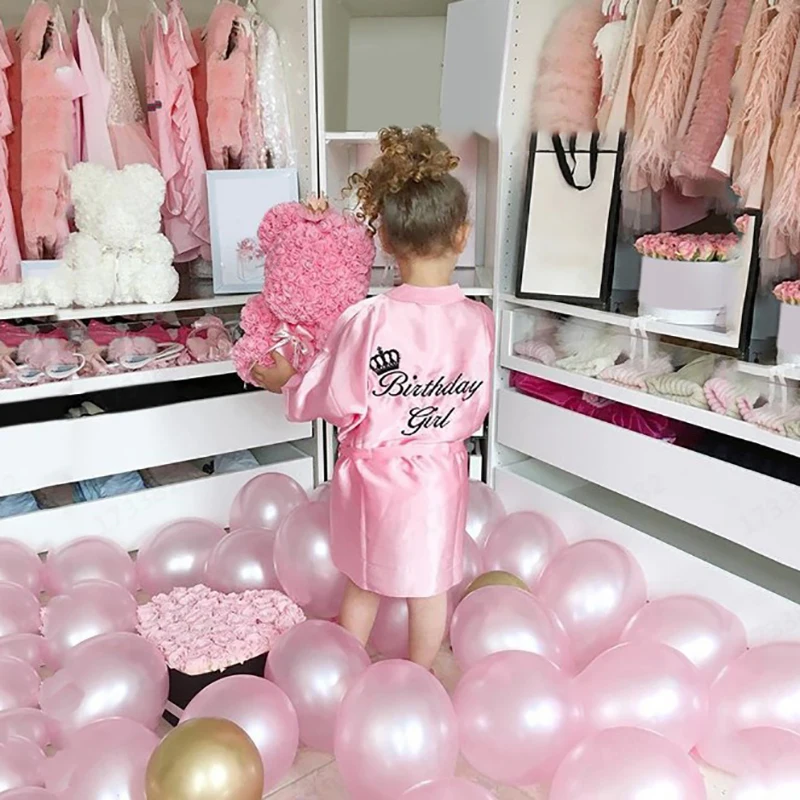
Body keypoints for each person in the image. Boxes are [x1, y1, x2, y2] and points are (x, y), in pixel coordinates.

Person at [253, 125, 494, 669]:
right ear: (462, 235)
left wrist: (289, 383)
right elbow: (474, 405)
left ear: (384, 238)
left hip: (375, 479)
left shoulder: (368, 319)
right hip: (440, 476)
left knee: (364, 580)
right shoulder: (479, 321)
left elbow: (334, 395)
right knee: (429, 587)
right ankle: (419, 678)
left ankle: (345, 671)